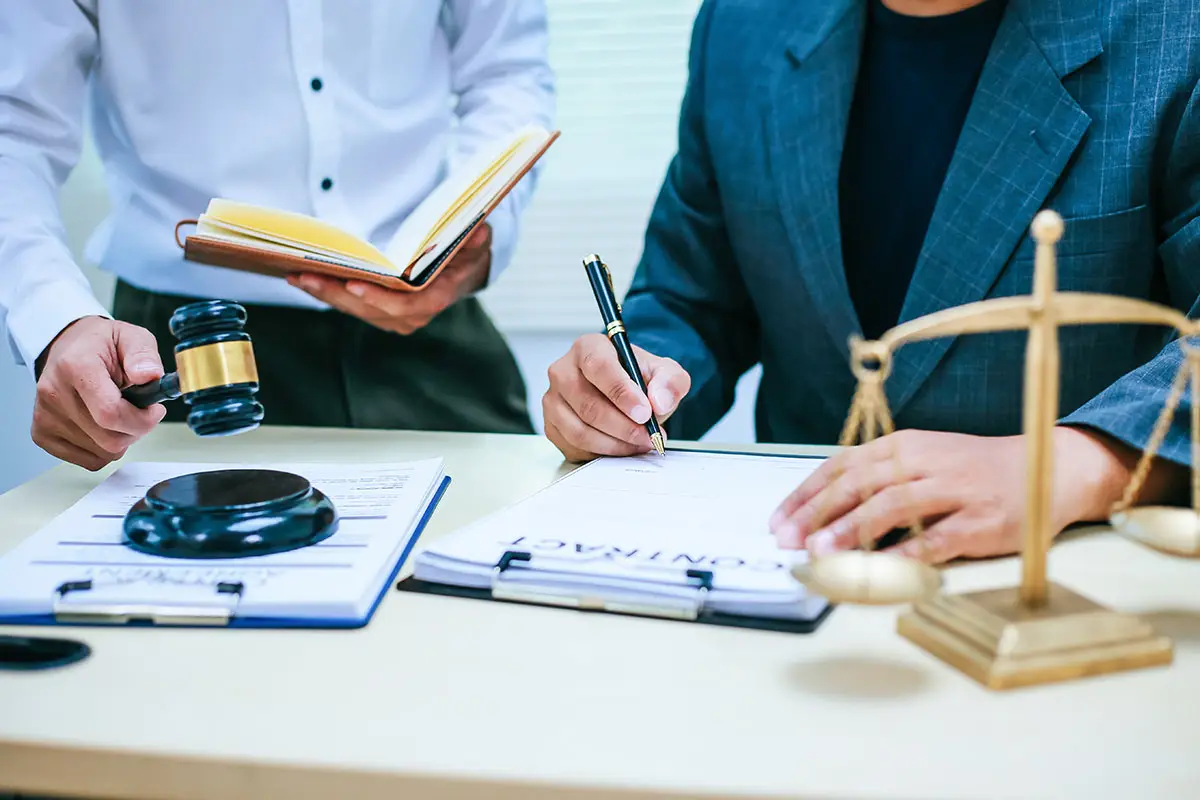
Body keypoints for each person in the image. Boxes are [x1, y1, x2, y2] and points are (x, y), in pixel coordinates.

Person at [543, 0, 1200, 564]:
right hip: (789, 564)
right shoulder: (742, 24)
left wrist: (1071, 467)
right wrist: (628, 389)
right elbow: (689, 297)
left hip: (1064, 570)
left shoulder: (1172, 31)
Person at [0, 1, 554, 472]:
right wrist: (55, 321)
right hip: (191, 345)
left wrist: (481, 234)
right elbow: (13, 129)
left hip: (432, 323)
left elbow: (507, 72)